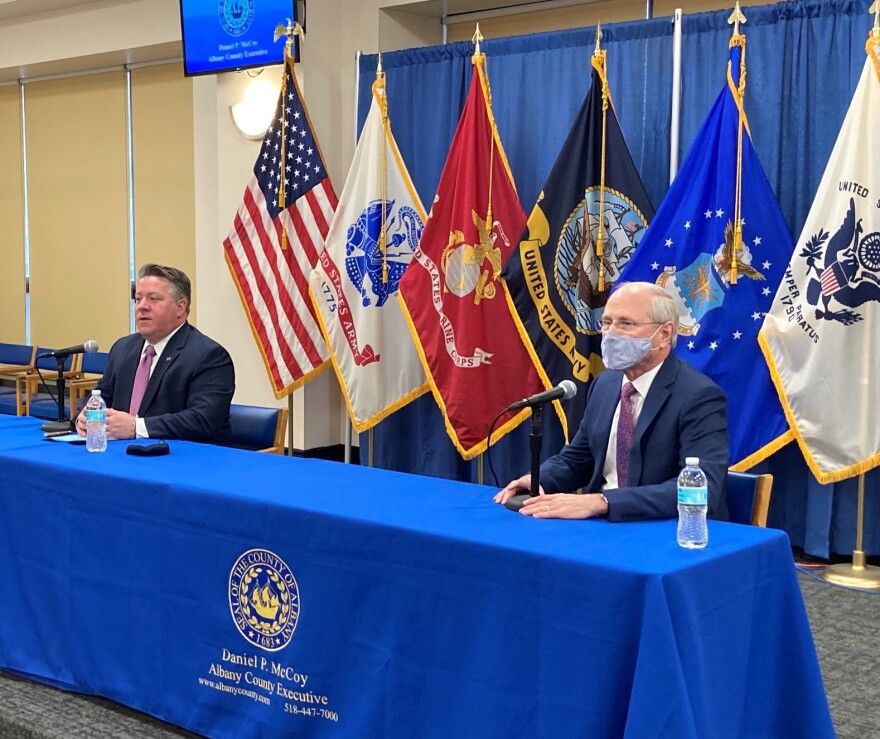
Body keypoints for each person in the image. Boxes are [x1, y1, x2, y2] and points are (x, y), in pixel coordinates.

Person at [495, 281, 729, 522]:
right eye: (606, 323)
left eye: (625, 324)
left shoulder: (699, 396)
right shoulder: (605, 385)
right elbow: (578, 459)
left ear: (665, 334)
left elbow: (701, 489)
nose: (611, 333)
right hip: (602, 527)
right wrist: (540, 479)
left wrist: (604, 501)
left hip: (667, 530)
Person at [76, 263, 235, 445]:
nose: (142, 307)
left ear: (180, 308)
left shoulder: (209, 356)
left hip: (182, 462)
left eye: (154, 299)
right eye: (138, 299)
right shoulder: (123, 348)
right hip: (121, 455)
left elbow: (202, 420)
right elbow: (102, 394)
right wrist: (86, 415)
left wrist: (137, 427)